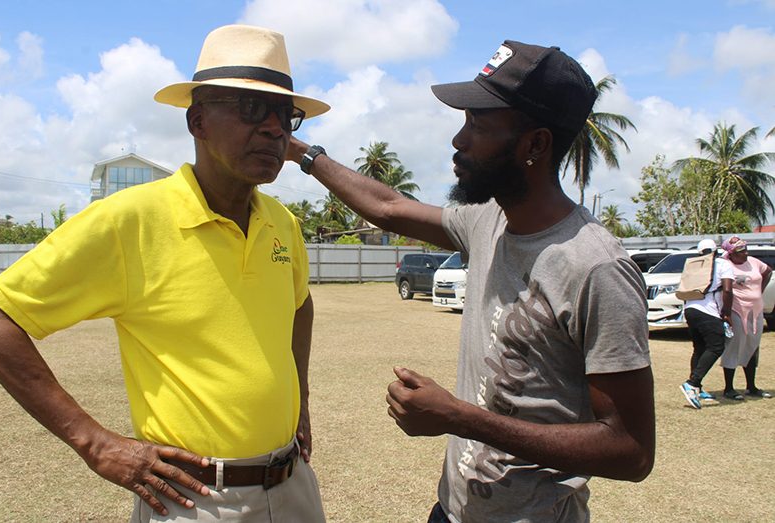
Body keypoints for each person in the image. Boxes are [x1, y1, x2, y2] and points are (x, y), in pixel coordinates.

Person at [290, 39, 655, 522]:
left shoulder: (594, 267)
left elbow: (630, 451)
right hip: (453, 510)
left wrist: (459, 418)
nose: (458, 140)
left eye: (478, 124)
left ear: (535, 145)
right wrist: (302, 152)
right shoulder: (488, 221)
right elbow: (389, 207)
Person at [0, 25, 328, 522]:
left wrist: (302, 402)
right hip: (197, 501)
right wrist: (95, 443)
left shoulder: (283, 223)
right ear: (198, 121)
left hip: (293, 486)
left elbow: (299, 305)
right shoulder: (129, 221)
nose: (275, 129)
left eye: (285, 116)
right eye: (252, 109)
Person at [679, 239, 734, 409]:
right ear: (715, 250)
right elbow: (727, 289)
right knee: (717, 346)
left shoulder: (694, 265)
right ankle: (692, 383)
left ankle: (698, 388)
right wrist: (726, 312)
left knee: (700, 348)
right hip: (708, 310)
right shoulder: (723, 264)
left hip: (690, 309)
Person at [720, 236, 773, 400]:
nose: (745, 253)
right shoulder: (724, 265)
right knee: (734, 346)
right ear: (731, 253)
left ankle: (751, 386)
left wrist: (758, 291)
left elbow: (768, 272)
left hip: (755, 311)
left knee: (752, 346)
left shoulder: (754, 262)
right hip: (737, 311)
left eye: (745, 249)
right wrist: (726, 312)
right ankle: (729, 388)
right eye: (740, 251)